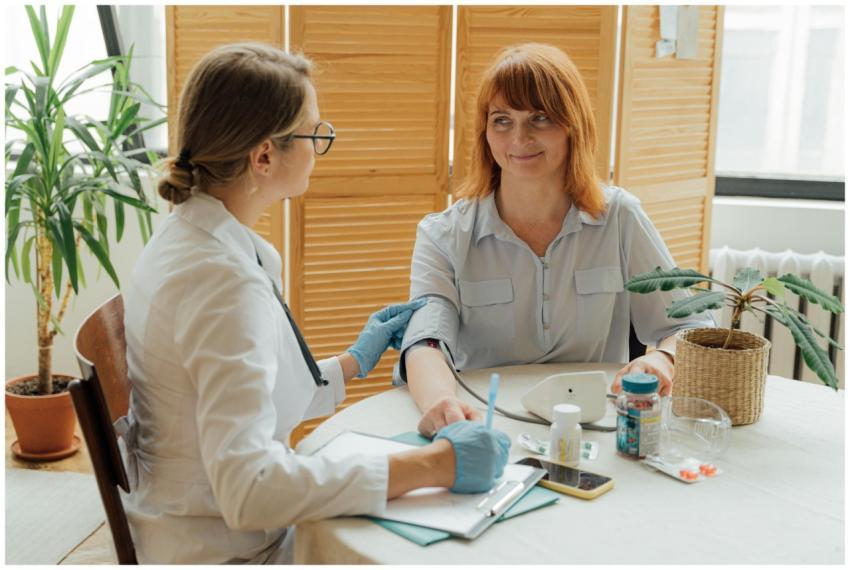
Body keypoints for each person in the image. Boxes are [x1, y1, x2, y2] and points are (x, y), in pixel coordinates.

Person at [119, 43, 510, 564]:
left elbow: (229, 401)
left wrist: (350, 364)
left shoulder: (189, 237)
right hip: (227, 550)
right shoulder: (222, 283)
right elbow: (249, 490)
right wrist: (434, 467)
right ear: (263, 156)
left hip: (189, 522)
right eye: (315, 134)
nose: (321, 145)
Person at [398, 43, 715, 437]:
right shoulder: (443, 235)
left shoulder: (620, 217)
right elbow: (424, 343)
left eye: (540, 118)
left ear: (573, 125)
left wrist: (663, 360)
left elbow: (692, 326)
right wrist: (440, 404)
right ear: (485, 131)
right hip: (484, 425)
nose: (519, 138)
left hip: (596, 429)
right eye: (502, 120)